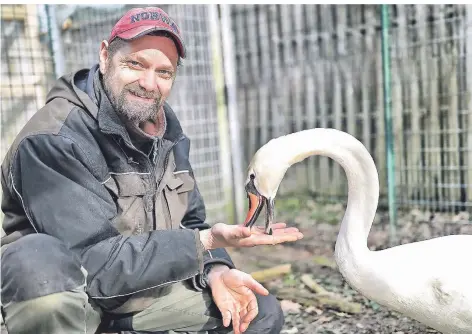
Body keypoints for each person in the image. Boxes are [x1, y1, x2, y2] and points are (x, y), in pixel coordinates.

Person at [0, 6, 304, 334]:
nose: (149, 83)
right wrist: (203, 242)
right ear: (105, 57)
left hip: (137, 297)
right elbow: (93, 261)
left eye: (164, 72)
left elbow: (191, 220)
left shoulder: (166, 131)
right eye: (135, 64)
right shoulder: (55, 139)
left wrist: (215, 269)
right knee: (34, 260)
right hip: (79, 303)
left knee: (254, 311)